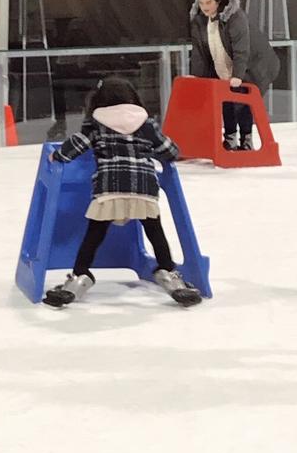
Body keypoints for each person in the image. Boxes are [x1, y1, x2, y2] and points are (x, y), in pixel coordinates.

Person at [41, 75, 202, 308]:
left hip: (110, 187)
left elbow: (76, 144)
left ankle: (79, 276)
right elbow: (170, 150)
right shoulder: (146, 123)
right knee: (155, 232)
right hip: (144, 188)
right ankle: (168, 273)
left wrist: (57, 156)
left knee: (94, 235)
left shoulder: (95, 123)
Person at [188, 0, 279, 150]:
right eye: (201, 3)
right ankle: (230, 138)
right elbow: (199, 53)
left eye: (208, 3)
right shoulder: (199, 21)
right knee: (226, 101)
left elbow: (241, 48)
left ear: (218, 2)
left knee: (244, 101)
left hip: (253, 66)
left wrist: (238, 74)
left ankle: (246, 139)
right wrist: (198, 77)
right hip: (222, 65)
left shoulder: (235, 18)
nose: (204, 7)